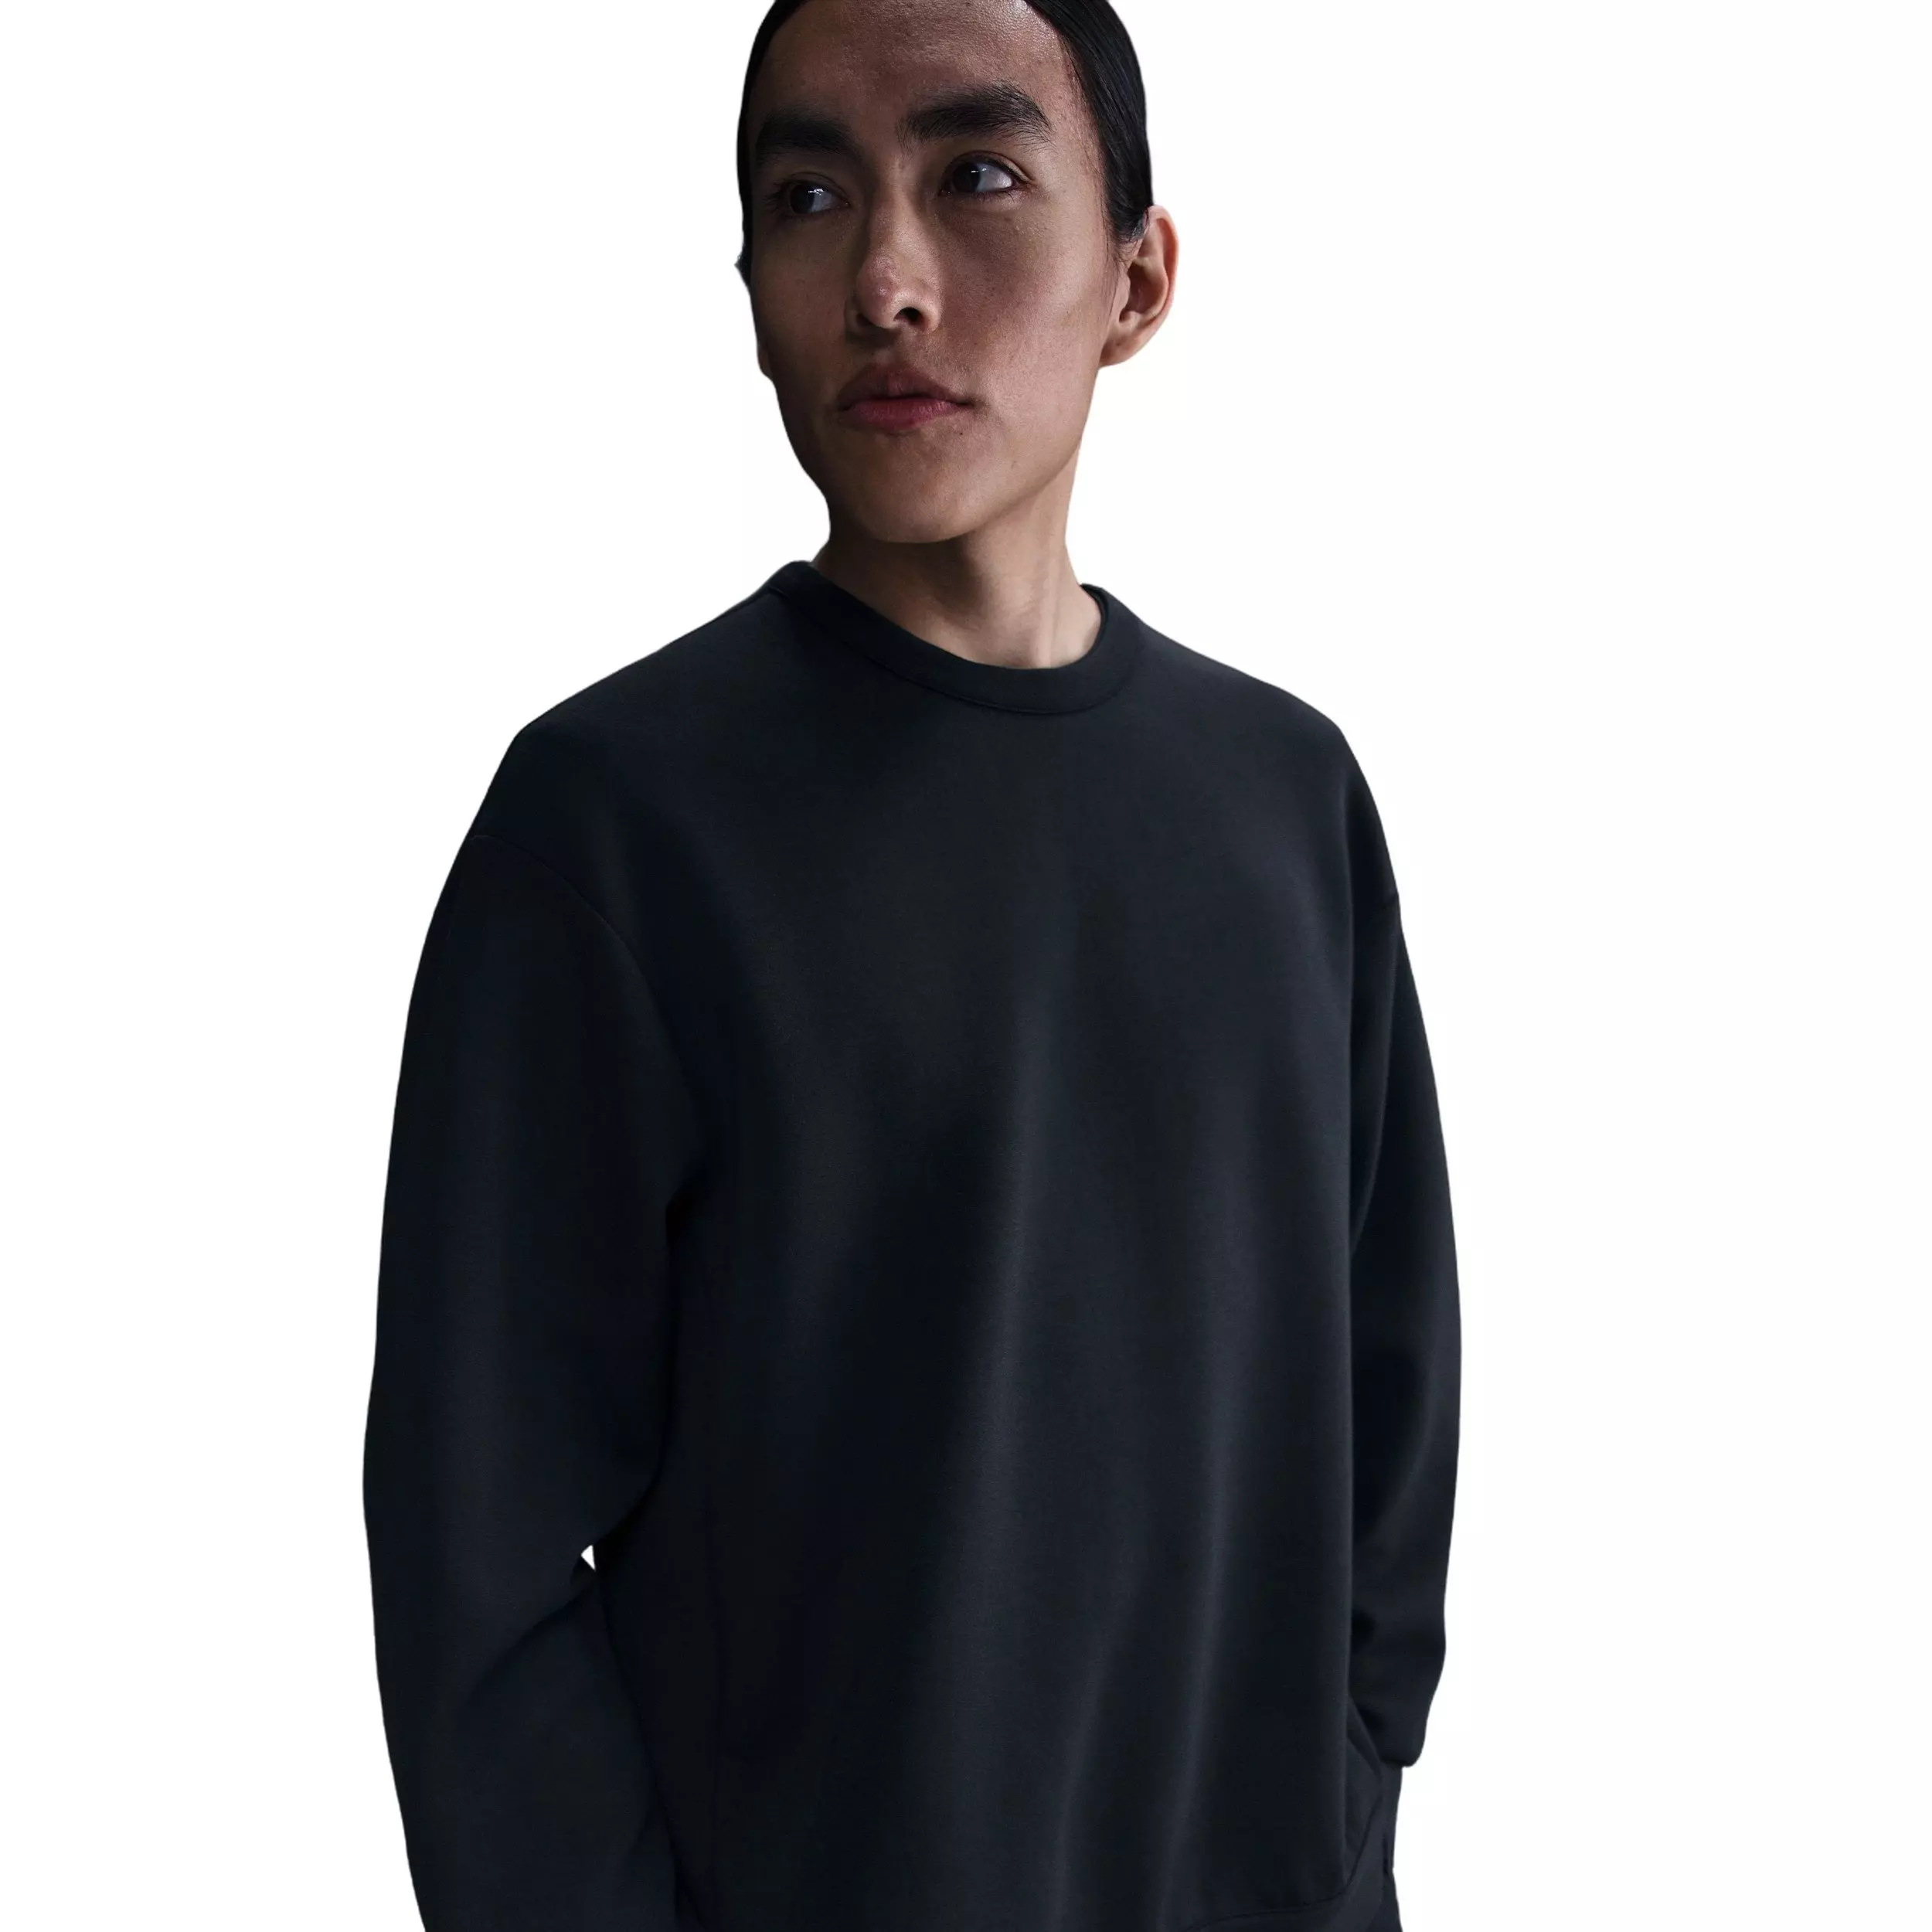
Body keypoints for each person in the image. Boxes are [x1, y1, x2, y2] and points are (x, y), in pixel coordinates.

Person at [361, 2, 1461, 1929]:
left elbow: (1391, 1390)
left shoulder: (1284, 797)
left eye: (976, 177)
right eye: (807, 197)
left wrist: (1348, 1794)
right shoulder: (613, 825)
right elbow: (479, 1556)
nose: (884, 279)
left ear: (1137, 277)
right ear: (747, 291)